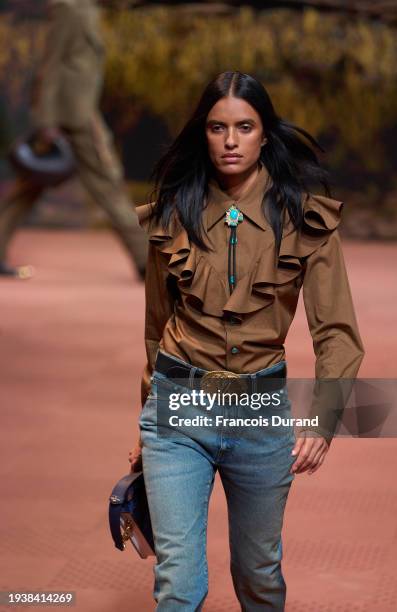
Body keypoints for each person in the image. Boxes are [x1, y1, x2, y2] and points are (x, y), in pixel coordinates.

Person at [128, 71, 365, 610]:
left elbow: (337, 332)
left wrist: (322, 421)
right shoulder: (173, 212)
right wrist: (145, 422)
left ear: (264, 133)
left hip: (260, 411)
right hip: (178, 408)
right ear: (203, 133)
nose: (230, 140)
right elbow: (154, 325)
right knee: (179, 583)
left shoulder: (306, 217)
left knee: (258, 575)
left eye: (244, 126)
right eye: (217, 127)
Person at [0, 0, 147, 280]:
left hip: (75, 113)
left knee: (30, 186)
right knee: (109, 184)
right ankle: (147, 261)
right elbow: (53, 63)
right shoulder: (71, 7)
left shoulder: (86, 8)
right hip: (74, 118)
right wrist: (47, 122)